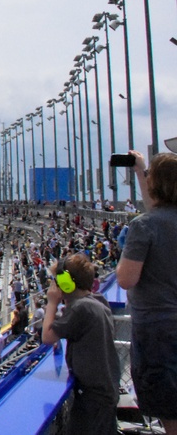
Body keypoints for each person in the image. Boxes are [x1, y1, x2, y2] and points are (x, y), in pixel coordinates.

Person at [117, 151, 177, 434]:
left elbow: (126, 279)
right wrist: (142, 168)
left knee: (170, 410)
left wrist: (124, 253)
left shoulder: (144, 226)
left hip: (158, 331)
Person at [41, 253, 120, 435]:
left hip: (93, 395)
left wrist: (52, 302)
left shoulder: (81, 308)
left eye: (57, 281)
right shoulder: (96, 300)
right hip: (104, 390)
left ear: (66, 283)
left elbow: (47, 337)